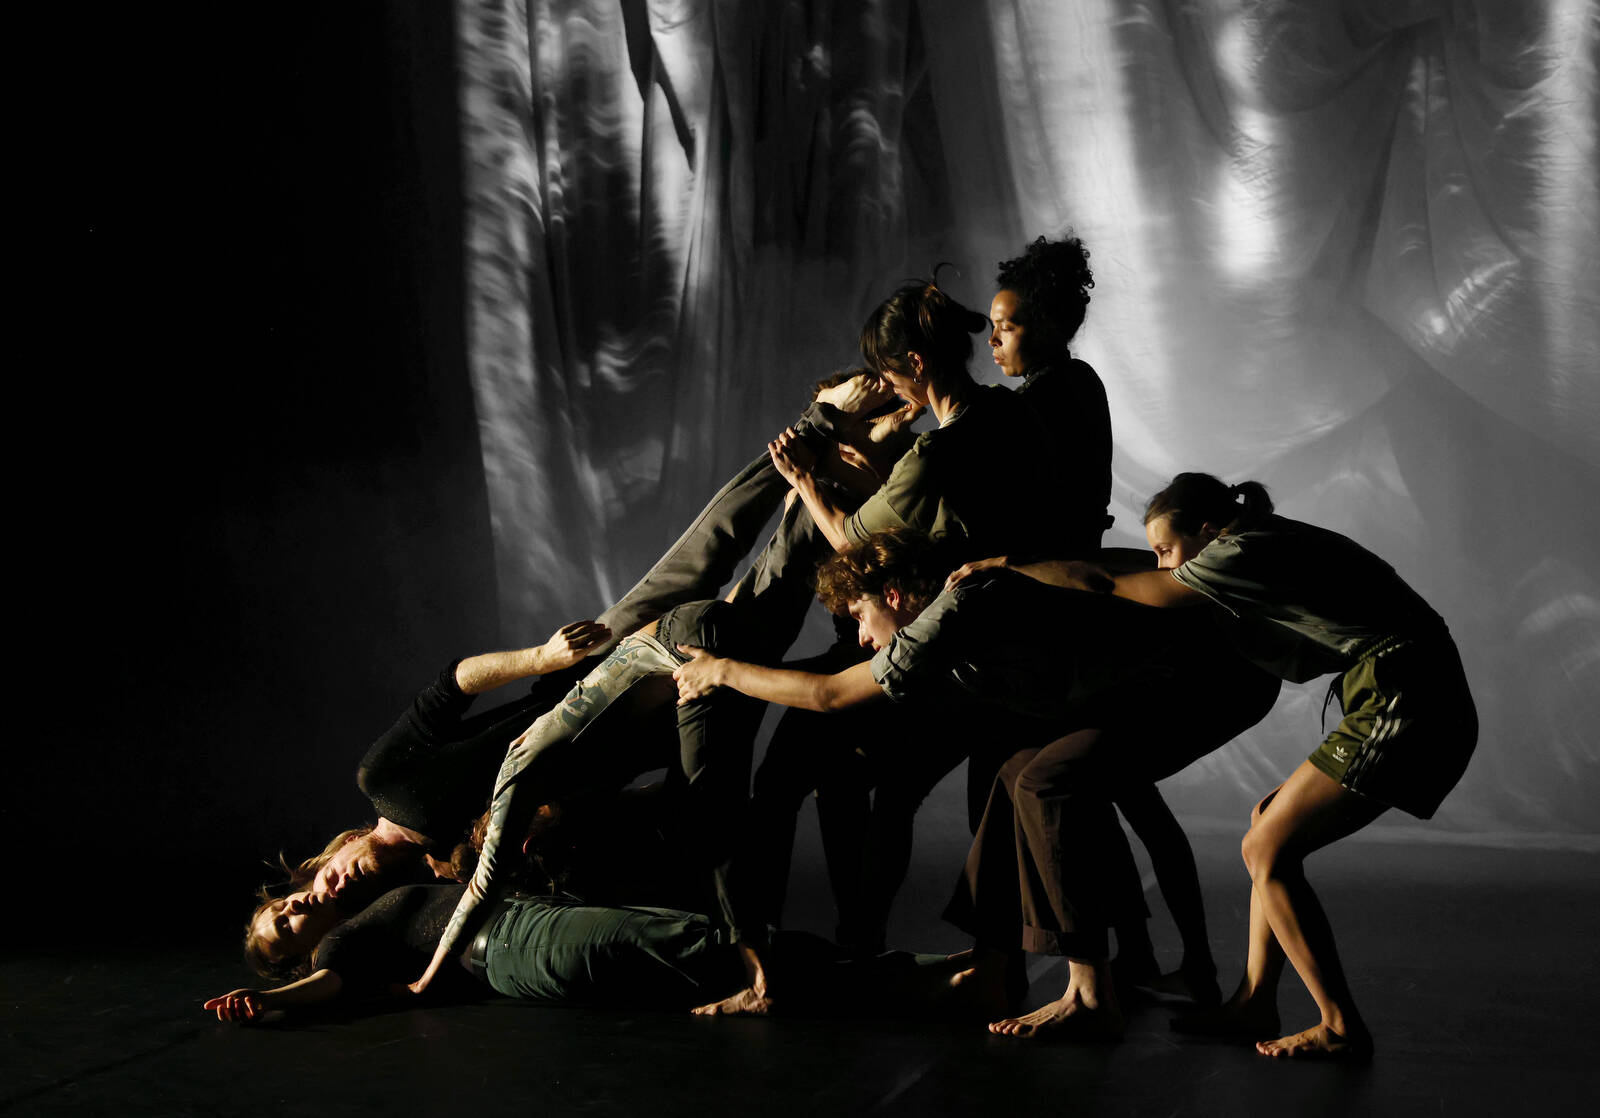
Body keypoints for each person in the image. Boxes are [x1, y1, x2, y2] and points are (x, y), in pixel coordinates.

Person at [954, 472, 1477, 1059]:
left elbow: (1107, 581)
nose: (1161, 562)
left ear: (1206, 530)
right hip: (1393, 687)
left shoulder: (1238, 552)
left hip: (1406, 695)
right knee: (1266, 823)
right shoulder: (1255, 539)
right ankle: (1254, 1001)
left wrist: (1006, 565)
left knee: (1267, 849)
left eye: (1165, 549)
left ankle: (1338, 1026)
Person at [673, 529, 1281, 1032]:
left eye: (859, 615)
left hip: (1210, 682)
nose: (859, 636)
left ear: (892, 593)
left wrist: (723, 670)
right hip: (1130, 692)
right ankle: (993, 970)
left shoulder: (954, 610)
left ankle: (1091, 995)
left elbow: (832, 695)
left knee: (1047, 781)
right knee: (1013, 775)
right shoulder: (949, 617)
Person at [207, 882, 1006, 1024]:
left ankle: (924, 982)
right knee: (708, 945)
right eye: (283, 927)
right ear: (298, 955)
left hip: (534, 931)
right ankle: (928, 981)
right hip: (517, 945)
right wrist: (270, 1001)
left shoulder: (361, 896)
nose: (291, 910)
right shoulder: (347, 942)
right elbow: (329, 984)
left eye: (278, 907)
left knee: (716, 951)